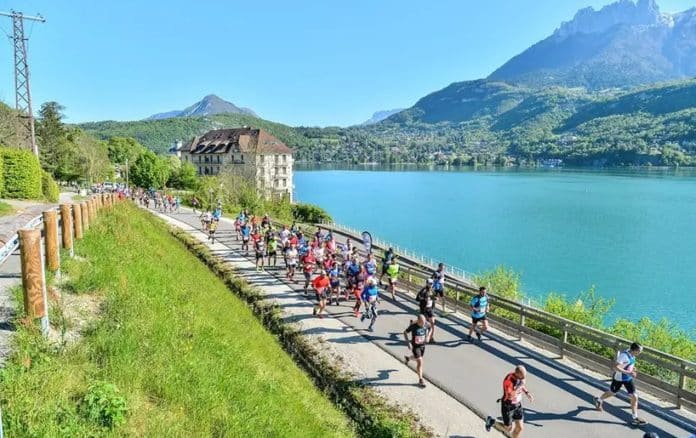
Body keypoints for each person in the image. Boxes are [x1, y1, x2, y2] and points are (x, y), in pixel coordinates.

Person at [594, 342, 648, 425]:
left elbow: (628, 364)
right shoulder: (624, 356)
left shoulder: (632, 354)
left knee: (634, 396)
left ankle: (635, 418)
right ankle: (599, 400)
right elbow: (615, 367)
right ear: (635, 350)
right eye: (639, 351)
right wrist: (628, 372)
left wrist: (632, 370)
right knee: (612, 392)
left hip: (628, 379)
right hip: (619, 379)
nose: (640, 352)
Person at [499, 365, 533, 438]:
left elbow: (521, 385)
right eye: (522, 377)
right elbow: (510, 396)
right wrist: (519, 386)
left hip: (518, 405)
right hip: (508, 406)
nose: (524, 378)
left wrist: (527, 393)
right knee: (508, 428)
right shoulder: (509, 381)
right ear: (517, 374)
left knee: (520, 428)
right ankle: (492, 422)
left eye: (525, 376)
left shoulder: (520, 378)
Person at [403, 314, 433, 388]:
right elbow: (405, 332)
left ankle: (408, 358)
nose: (423, 325)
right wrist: (408, 343)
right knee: (420, 361)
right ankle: (421, 379)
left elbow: (431, 328)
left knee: (417, 358)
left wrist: (428, 336)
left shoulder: (426, 324)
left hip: (422, 346)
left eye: (424, 323)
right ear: (418, 321)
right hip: (415, 346)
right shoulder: (413, 326)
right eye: (421, 323)